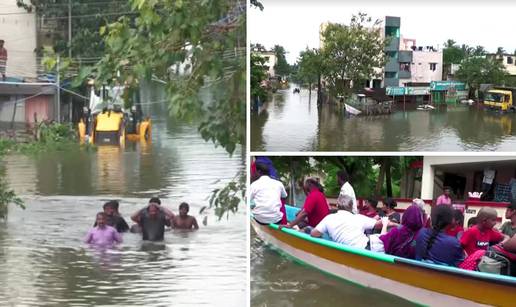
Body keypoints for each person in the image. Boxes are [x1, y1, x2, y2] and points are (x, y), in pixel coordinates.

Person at [310, 195, 396, 249]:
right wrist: (393, 223)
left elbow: (313, 233)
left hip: (367, 247)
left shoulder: (329, 218)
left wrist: (329, 233)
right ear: (351, 207)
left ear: (337, 205)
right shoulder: (358, 217)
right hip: (370, 246)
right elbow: (379, 224)